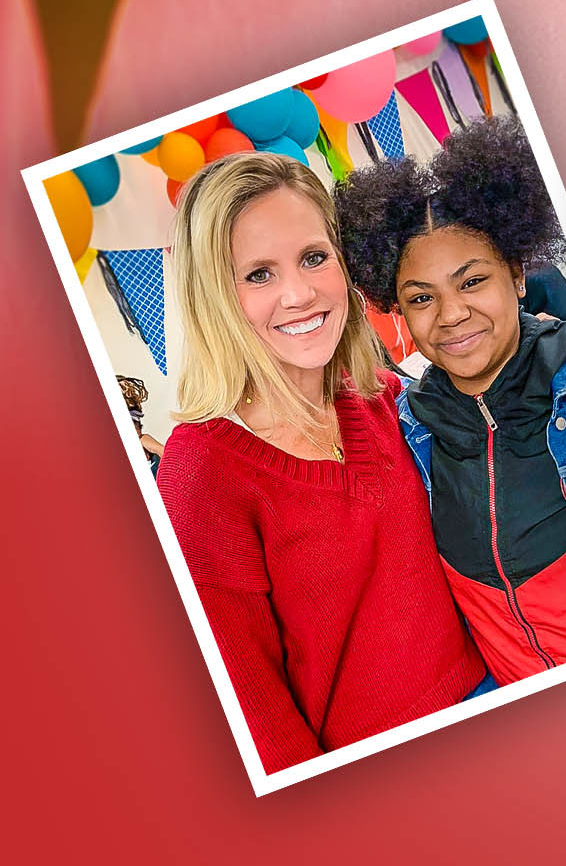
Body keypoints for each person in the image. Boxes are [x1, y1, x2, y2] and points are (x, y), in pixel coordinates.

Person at [336, 115, 566, 686]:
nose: (451, 314)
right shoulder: (408, 425)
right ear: (398, 309)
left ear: (516, 273)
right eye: (421, 297)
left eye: (472, 281)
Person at [158, 153, 487, 774]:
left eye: (314, 257)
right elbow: (246, 698)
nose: (299, 293)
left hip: (494, 683)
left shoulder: (387, 402)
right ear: (215, 298)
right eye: (258, 274)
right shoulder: (202, 469)